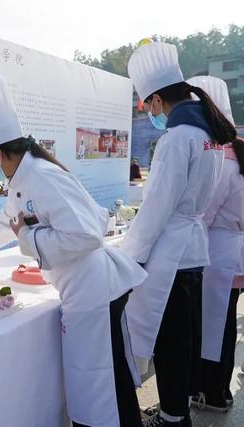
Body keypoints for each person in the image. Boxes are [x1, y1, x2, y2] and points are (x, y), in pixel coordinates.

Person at [0, 71, 147, 427]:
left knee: (105, 386)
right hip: (80, 290)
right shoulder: (21, 180)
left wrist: (30, 240)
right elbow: (4, 225)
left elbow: (87, 235)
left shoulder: (42, 177)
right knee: (96, 383)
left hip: (94, 291)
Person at [122, 41, 237, 427]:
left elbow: (156, 208)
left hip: (171, 253)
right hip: (194, 249)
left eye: (147, 105)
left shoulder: (177, 138)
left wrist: (128, 255)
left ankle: (173, 417)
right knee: (186, 339)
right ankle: (179, 408)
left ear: (156, 100)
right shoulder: (211, 136)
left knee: (170, 343)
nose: (150, 112)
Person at [185, 76, 244, 412]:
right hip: (231, 252)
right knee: (222, 326)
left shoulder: (223, 158)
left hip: (216, 253)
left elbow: (203, 213)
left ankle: (212, 392)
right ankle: (218, 389)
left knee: (213, 326)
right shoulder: (237, 149)